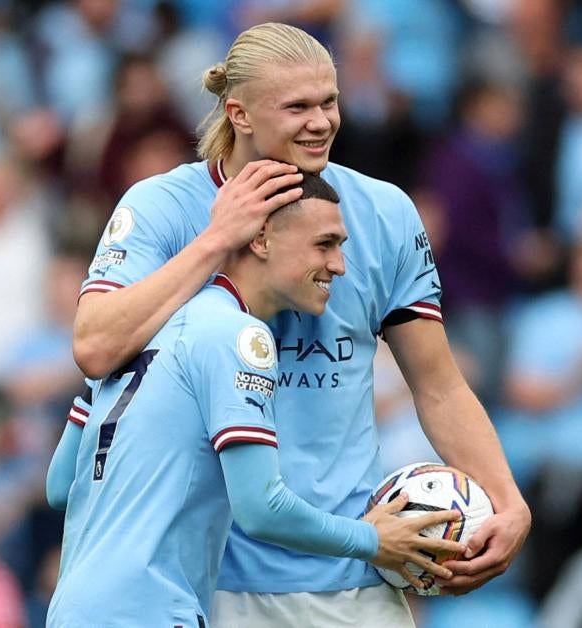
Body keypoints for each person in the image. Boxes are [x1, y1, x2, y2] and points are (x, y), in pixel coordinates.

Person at [71, 22, 530, 626]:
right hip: (210, 583)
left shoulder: (383, 213)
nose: (321, 122)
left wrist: (507, 499)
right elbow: (95, 346)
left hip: (355, 575)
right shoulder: (162, 206)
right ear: (239, 113)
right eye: (298, 106)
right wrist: (216, 241)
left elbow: (437, 384)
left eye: (330, 101)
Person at [46, 174, 465, 626]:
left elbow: (60, 484)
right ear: (261, 240)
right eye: (324, 245)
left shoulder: (147, 328)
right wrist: (371, 539)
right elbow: (261, 508)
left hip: (76, 607)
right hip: (153, 611)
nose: (339, 265)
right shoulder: (240, 336)